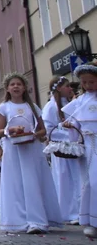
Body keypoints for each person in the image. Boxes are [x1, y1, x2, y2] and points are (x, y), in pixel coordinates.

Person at [0, 73, 62, 234]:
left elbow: (42, 129)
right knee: (16, 182)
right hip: (13, 149)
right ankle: (18, 220)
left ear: (24, 87)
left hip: (31, 149)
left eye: (19, 84)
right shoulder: (3, 108)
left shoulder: (32, 107)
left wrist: (33, 134)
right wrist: (10, 130)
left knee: (33, 181)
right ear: (8, 89)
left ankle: (37, 220)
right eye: (13, 84)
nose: (16, 86)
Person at [61, 60, 97, 238]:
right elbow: (76, 122)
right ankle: (91, 220)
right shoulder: (79, 102)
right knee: (89, 183)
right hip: (88, 146)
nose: (88, 85)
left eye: (92, 81)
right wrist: (70, 127)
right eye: (84, 82)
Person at [42, 75, 82, 225]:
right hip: (62, 149)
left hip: (73, 147)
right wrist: (64, 130)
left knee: (77, 179)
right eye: (67, 86)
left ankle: (79, 209)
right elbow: (48, 129)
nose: (70, 89)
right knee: (66, 180)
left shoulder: (69, 104)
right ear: (59, 88)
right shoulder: (51, 107)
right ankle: (70, 212)